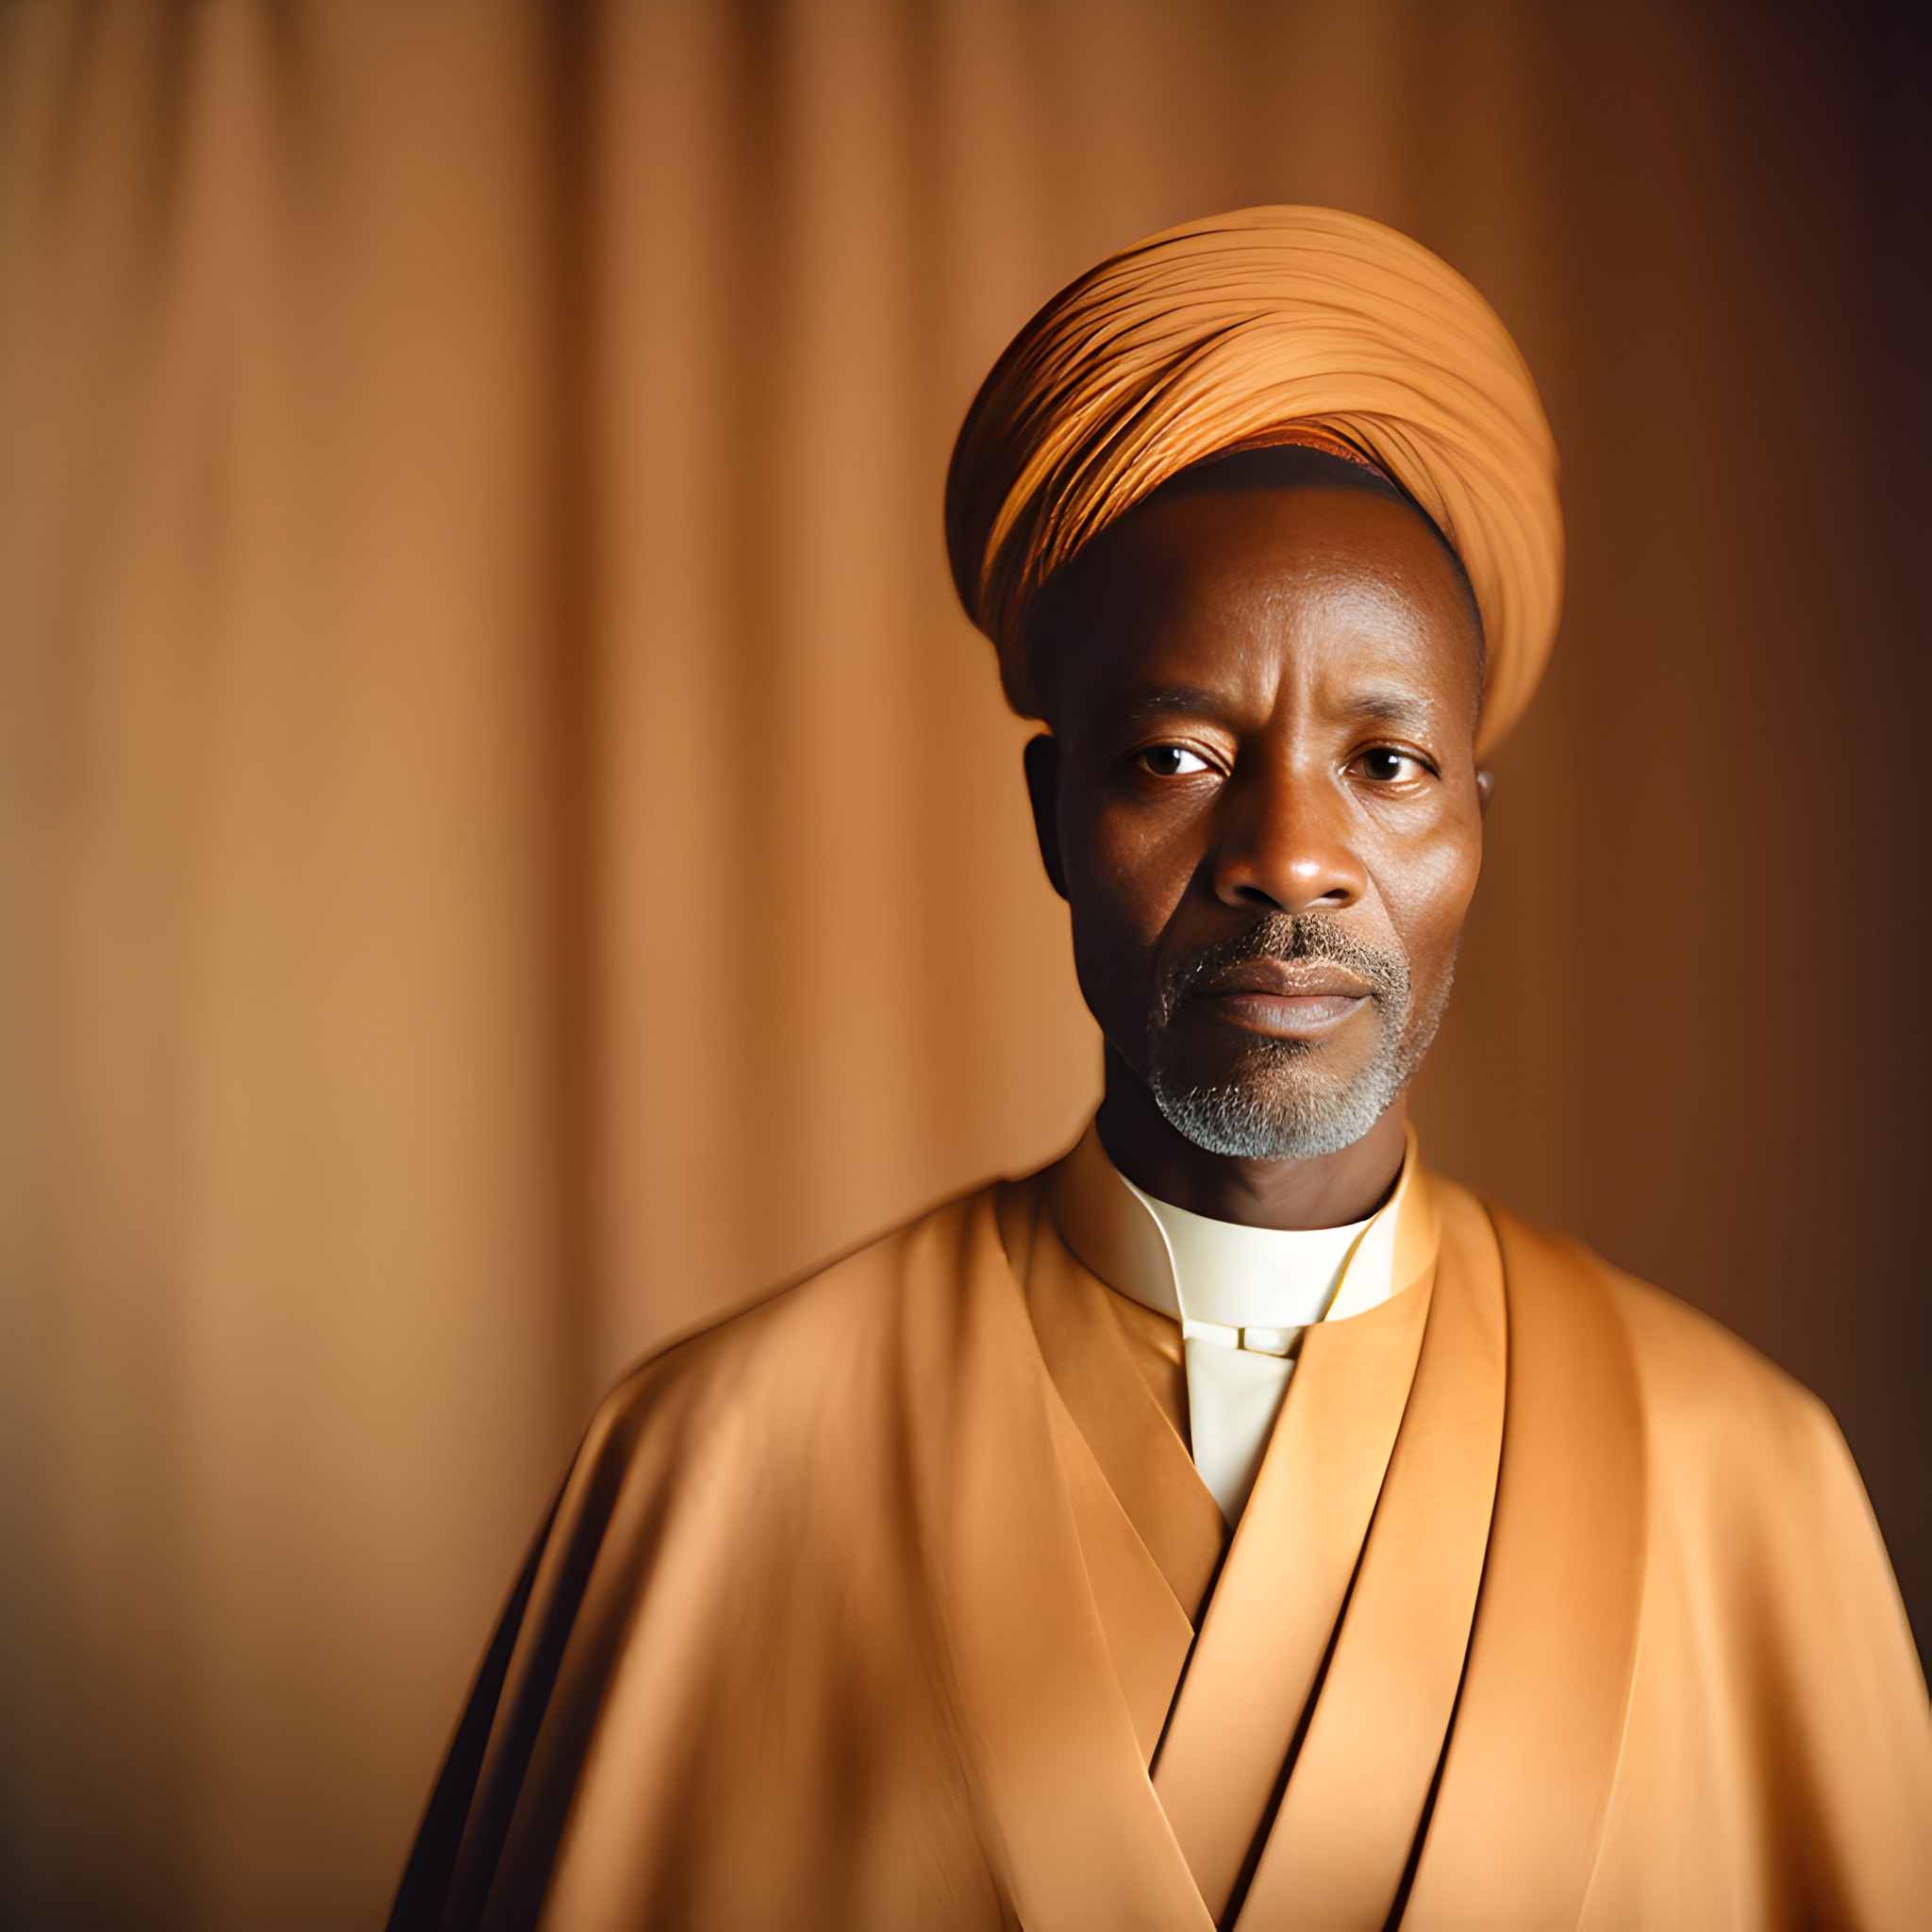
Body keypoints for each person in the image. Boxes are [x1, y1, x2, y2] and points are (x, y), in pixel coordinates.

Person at [389, 208, 1931, 1931]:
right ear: (1052, 815)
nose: (1290, 852)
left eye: (1390, 761)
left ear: (1476, 833)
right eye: (1178, 755)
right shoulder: (719, 1467)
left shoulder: (1739, 1480)